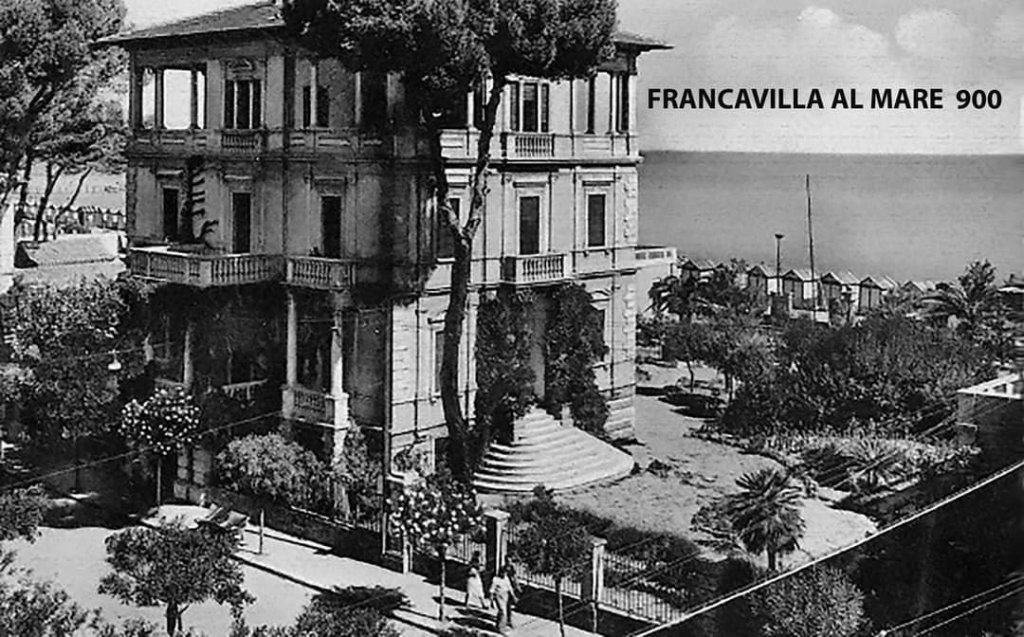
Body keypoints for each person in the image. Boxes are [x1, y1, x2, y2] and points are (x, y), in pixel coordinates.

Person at [489, 566, 517, 634]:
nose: (504, 574)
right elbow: (492, 590)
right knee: (503, 612)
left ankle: (498, 625)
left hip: (505, 595)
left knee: (502, 612)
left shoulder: (506, 578)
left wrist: (513, 596)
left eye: (505, 573)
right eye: (503, 573)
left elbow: (509, 588)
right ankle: (501, 628)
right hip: (498, 596)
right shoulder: (495, 579)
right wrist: (491, 600)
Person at [504, 558, 522, 628]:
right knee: (507, 604)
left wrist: (517, 586)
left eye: (510, 561)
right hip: (506, 587)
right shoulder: (504, 568)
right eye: (508, 561)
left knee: (509, 604)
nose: (509, 562)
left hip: (512, 587)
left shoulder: (512, 568)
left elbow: (515, 577)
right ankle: (508, 620)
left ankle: (508, 619)